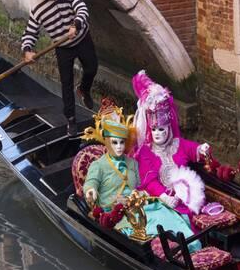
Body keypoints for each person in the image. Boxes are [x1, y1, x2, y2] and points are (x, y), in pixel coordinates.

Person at [82, 107, 201, 249]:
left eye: (122, 142)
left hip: (141, 205)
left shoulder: (132, 162)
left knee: (166, 214)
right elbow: (91, 182)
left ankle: (191, 246)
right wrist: (91, 190)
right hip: (117, 214)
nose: (119, 147)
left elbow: (141, 185)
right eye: (115, 142)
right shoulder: (98, 165)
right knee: (149, 227)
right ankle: (167, 251)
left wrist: (143, 194)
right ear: (107, 142)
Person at [21, 0, 98, 136]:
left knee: (92, 68)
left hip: (82, 38)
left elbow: (82, 10)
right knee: (66, 84)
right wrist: (27, 50)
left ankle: (84, 89)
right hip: (62, 47)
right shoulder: (38, 9)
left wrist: (75, 25)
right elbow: (30, 32)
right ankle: (70, 119)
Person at [132, 70, 211, 227]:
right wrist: (164, 197)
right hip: (162, 202)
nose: (157, 134)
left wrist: (203, 149)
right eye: (154, 130)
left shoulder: (178, 144)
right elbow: (149, 182)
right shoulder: (146, 152)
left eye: (161, 129)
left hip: (187, 199)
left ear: (168, 128)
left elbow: (194, 150)